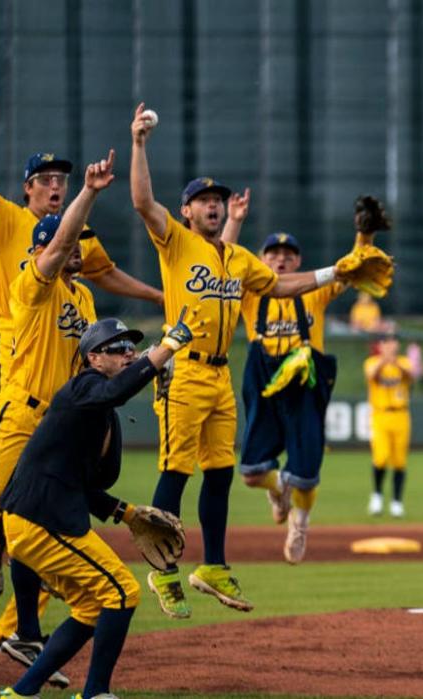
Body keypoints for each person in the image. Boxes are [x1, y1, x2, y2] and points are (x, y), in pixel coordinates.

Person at [129, 103, 351, 617]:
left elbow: (278, 285)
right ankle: (163, 571)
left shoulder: (236, 257)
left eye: (217, 200)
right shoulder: (176, 243)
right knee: (176, 471)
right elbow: (142, 200)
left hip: (221, 375)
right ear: (186, 211)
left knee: (222, 472)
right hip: (181, 368)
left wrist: (332, 271)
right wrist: (139, 143)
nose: (212, 205)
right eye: (203, 200)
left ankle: (214, 564)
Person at [0, 76, 163, 600]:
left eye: (60, 180)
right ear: (27, 187)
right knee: (2, 453)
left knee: (41, 474)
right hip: (17, 336)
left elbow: (106, 272)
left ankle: (19, 617)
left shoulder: (77, 267)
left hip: (53, 360)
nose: (55, 185)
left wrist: (162, 300)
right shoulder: (12, 221)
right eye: (45, 178)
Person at [0, 151, 115, 689]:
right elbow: (58, 246)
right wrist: (88, 192)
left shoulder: (84, 297)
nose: (76, 250)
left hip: (53, 427)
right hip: (15, 413)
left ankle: (22, 630)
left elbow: (96, 362)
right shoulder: (31, 281)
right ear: (43, 247)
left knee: (34, 527)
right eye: (67, 243)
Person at [0, 314, 198, 699]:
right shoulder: (83, 388)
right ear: (93, 358)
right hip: (42, 519)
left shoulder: (96, 411)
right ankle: (95, 693)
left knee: (91, 608)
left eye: (131, 347)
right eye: (117, 348)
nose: (128, 353)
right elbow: (115, 391)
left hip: (41, 517)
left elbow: (82, 483)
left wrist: (128, 513)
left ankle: (22, 692)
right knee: (123, 592)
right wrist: (165, 349)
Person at [220, 194, 347, 564]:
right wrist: (235, 220)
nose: (281, 258)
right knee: (251, 471)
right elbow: (221, 262)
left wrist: (364, 237)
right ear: (260, 261)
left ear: (300, 261)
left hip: (304, 381)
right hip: (262, 377)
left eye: (288, 254)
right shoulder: (248, 292)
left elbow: (352, 270)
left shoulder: (315, 291)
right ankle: (277, 490)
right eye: (273, 253)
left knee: (306, 471)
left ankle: (300, 525)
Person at [365, 327, 414, 518]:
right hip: (380, 415)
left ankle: (396, 502)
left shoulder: (403, 362)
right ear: (380, 345)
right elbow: (371, 376)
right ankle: (377, 496)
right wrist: (384, 360)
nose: (390, 345)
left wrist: (394, 362)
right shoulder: (372, 362)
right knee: (381, 457)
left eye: (393, 341)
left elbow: (410, 375)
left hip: (401, 415)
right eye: (386, 342)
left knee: (400, 461)